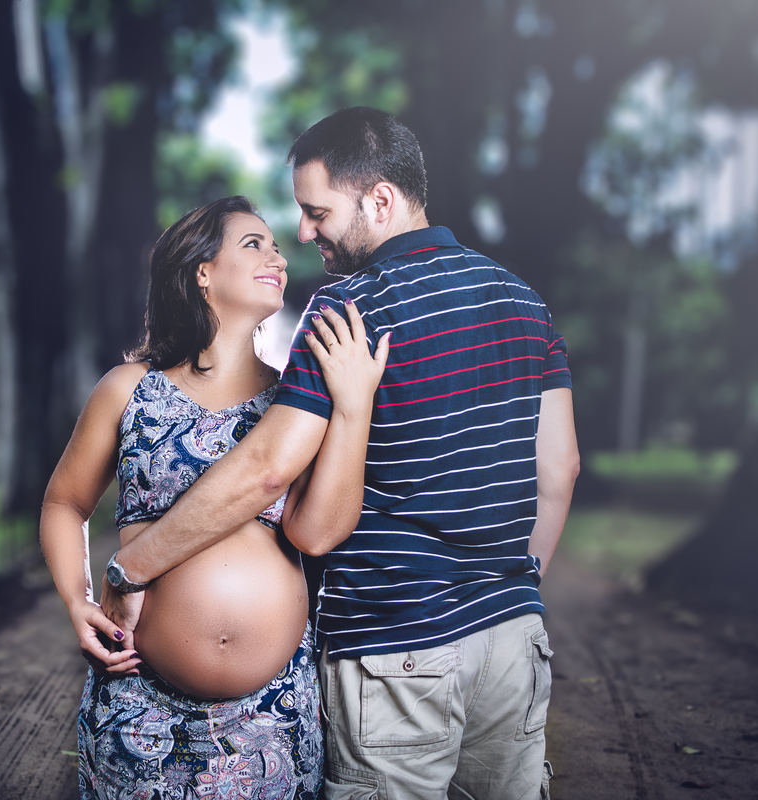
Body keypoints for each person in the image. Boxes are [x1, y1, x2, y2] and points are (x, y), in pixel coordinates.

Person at [101, 107, 580, 800]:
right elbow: (558, 471)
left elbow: (269, 467)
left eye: (316, 211)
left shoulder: (351, 310)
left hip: (395, 646)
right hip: (514, 640)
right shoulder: (524, 302)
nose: (304, 233)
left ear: (380, 200)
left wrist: (131, 567)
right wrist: (515, 586)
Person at [39, 195, 389, 800]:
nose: (278, 257)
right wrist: (79, 600)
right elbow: (64, 505)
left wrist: (353, 407)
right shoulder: (128, 389)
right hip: (139, 710)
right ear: (202, 272)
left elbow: (322, 530)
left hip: (273, 720)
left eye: (277, 247)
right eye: (254, 244)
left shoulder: (295, 408)